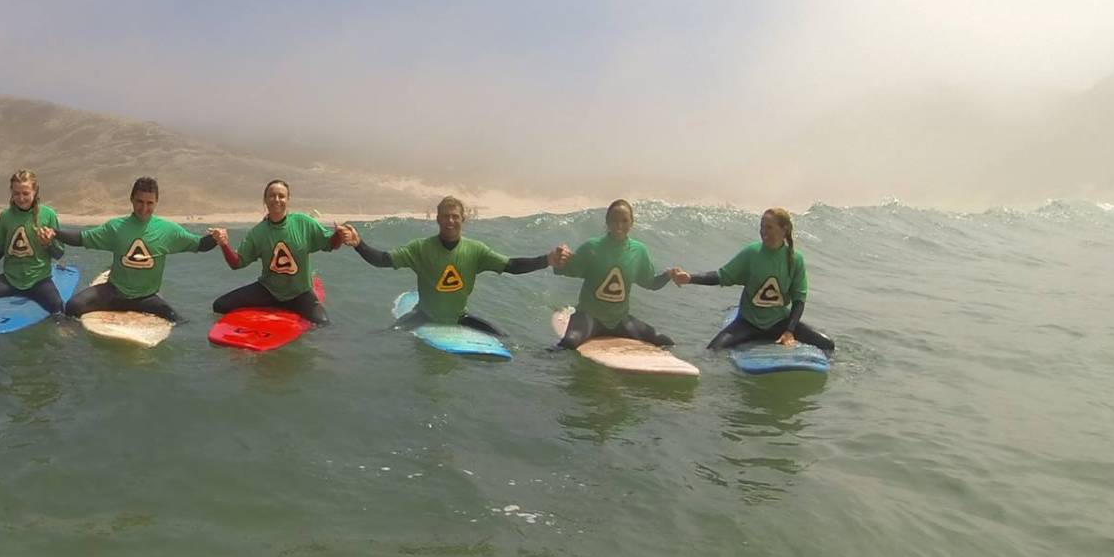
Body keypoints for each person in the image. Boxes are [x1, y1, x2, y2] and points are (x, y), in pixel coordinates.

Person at [338, 196, 567, 335]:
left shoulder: (475, 250)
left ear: (463, 219)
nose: (450, 221)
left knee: (503, 337)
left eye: (455, 216)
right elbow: (383, 260)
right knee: (385, 335)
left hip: (459, 317)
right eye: (445, 216)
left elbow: (510, 265)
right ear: (437, 219)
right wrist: (359, 244)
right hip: (424, 316)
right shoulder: (421, 248)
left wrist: (546, 260)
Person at [43, 176, 223, 322]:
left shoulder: (168, 230)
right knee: (72, 307)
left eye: (149, 203)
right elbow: (81, 239)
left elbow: (199, 245)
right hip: (114, 292)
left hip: (146, 298)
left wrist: (216, 238)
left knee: (180, 320)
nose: (144, 208)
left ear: (156, 202)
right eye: (140, 201)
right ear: (131, 199)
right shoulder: (116, 227)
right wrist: (54, 233)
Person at [671, 207, 836, 351]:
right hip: (748, 324)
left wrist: (789, 331)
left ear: (784, 229)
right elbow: (722, 276)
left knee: (827, 344)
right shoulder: (752, 253)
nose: (763, 231)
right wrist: (690, 278)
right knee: (713, 350)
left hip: (779, 323)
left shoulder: (795, 259)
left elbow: (799, 299)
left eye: (769, 227)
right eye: (762, 226)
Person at [208, 179, 344, 324]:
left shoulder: (303, 223)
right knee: (219, 306)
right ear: (265, 200)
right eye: (272, 195)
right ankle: (275, 305)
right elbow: (236, 263)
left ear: (288, 200)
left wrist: (339, 235)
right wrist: (224, 244)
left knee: (323, 323)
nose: (276, 199)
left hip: (300, 293)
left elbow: (330, 244)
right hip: (268, 291)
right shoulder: (258, 232)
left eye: (281, 196)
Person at [552, 199, 676, 349]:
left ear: (632, 222)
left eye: (624, 221)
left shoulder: (639, 251)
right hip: (588, 317)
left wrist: (668, 275)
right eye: (614, 220)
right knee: (568, 343)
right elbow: (567, 270)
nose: (619, 226)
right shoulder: (592, 247)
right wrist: (559, 259)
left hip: (619, 321)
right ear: (607, 222)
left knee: (665, 341)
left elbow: (650, 282)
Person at [0, 169, 67, 313]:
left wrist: (47, 244)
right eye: (16, 193)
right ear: (11, 192)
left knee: (58, 307)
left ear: (35, 191)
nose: (21, 198)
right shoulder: (6, 216)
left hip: (38, 281)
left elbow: (59, 254)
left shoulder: (48, 215)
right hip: (10, 280)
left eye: (26, 193)